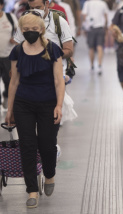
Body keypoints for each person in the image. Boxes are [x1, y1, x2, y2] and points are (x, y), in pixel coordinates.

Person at [5, 11, 65, 208]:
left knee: (47, 144)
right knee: (27, 146)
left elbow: (59, 81)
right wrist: (9, 109)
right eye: (26, 30)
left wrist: (59, 105)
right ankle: (31, 190)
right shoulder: (17, 52)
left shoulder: (52, 49)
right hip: (24, 104)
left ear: (41, 30)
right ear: (21, 30)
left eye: (34, 29)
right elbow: (14, 82)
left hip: (48, 103)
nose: (30, 32)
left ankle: (49, 175)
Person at [82, 0, 109, 75]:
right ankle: (100, 65)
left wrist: (85, 26)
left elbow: (84, 16)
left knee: (91, 48)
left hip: (91, 28)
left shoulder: (87, 3)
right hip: (100, 27)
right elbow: (106, 16)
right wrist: (105, 27)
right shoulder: (103, 3)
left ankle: (92, 66)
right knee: (100, 46)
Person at [0, 0, 18, 109]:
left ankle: (6, 96)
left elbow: (19, 30)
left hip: (8, 55)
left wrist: (15, 38)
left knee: (8, 79)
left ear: (1, 5)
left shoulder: (10, 17)